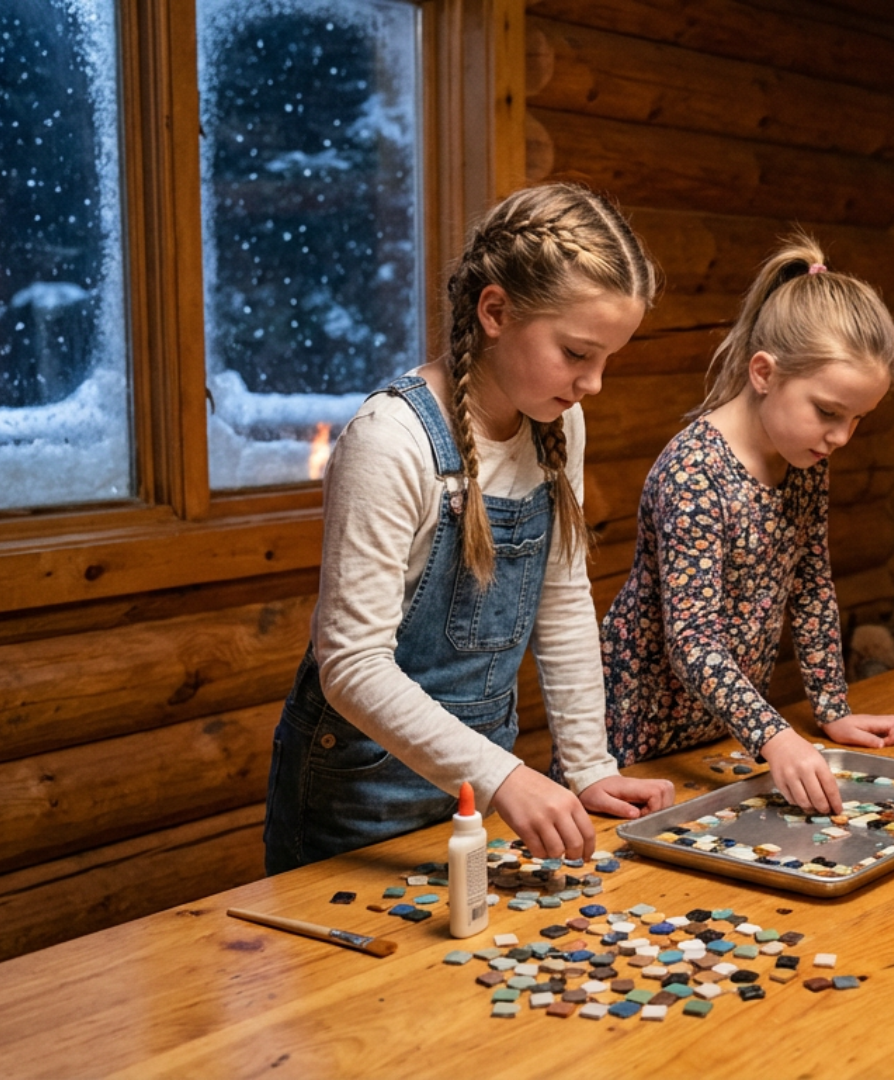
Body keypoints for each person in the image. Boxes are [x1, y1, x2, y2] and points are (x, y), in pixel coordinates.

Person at [264, 182, 673, 876]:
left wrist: (589, 767)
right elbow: (352, 667)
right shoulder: (390, 440)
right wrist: (506, 778)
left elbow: (563, 598)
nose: (594, 383)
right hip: (359, 801)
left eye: (609, 359)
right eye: (577, 353)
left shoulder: (558, 422)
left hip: (473, 794)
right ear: (495, 311)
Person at [599, 235, 894, 814]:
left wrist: (832, 710)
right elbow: (693, 639)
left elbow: (812, 588)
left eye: (859, 418)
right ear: (764, 373)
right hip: (634, 744)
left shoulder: (805, 460)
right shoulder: (694, 472)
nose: (841, 437)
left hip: (722, 736)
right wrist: (773, 734)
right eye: (829, 412)